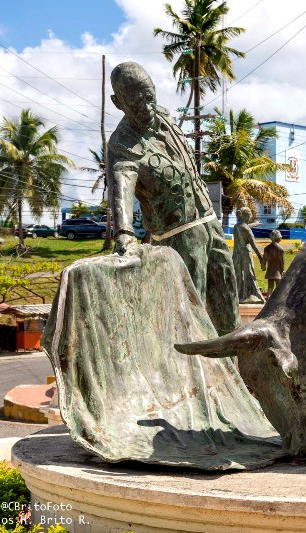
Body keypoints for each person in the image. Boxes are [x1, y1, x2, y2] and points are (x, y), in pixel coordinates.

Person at [107, 61, 239, 335]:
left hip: (210, 224)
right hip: (177, 239)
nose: (146, 108)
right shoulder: (122, 144)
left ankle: (234, 359)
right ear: (118, 103)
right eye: (135, 103)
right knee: (190, 316)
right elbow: (122, 187)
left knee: (228, 303)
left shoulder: (166, 116)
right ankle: (192, 362)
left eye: (149, 97)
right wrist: (124, 234)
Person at [232, 207, 265, 304]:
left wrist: (255, 224)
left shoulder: (236, 226)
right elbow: (254, 245)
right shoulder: (247, 230)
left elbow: (245, 226)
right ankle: (251, 295)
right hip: (246, 255)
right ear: (248, 216)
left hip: (236, 255)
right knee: (249, 275)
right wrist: (261, 258)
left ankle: (238, 296)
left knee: (238, 275)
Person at [261, 230, 286, 296]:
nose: (281, 239)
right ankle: (278, 298)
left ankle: (268, 297)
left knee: (270, 286)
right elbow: (281, 261)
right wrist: (283, 269)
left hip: (270, 271)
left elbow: (264, 259)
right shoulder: (280, 249)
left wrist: (263, 266)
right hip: (277, 271)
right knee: (279, 287)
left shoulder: (267, 248)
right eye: (280, 237)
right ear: (278, 238)